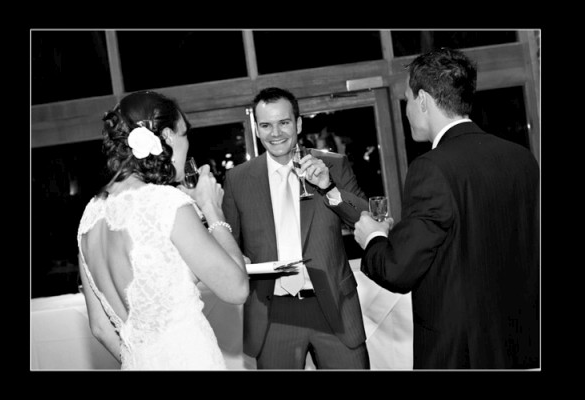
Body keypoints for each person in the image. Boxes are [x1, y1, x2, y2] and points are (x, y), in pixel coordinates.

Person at [354, 47, 539, 369]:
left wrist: (373, 237)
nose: (407, 111)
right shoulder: (521, 158)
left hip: (462, 353)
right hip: (523, 345)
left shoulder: (432, 168)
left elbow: (399, 270)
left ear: (423, 100)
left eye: (407, 100)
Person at [76, 90, 249, 370]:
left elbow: (100, 328)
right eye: (185, 134)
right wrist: (211, 208)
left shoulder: (90, 216)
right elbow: (237, 288)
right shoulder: (166, 203)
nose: (187, 144)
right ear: (167, 136)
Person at [222, 87, 370, 369]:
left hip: (334, 308)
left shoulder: (332, 165)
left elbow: (365, 218)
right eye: (266, 125)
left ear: (298, 124)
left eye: (284, 122)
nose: (275, 133)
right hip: (272, 314)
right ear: (257, 129)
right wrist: (237, 258)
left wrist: (329, 186)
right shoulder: (237, 179)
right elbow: (231, 244)